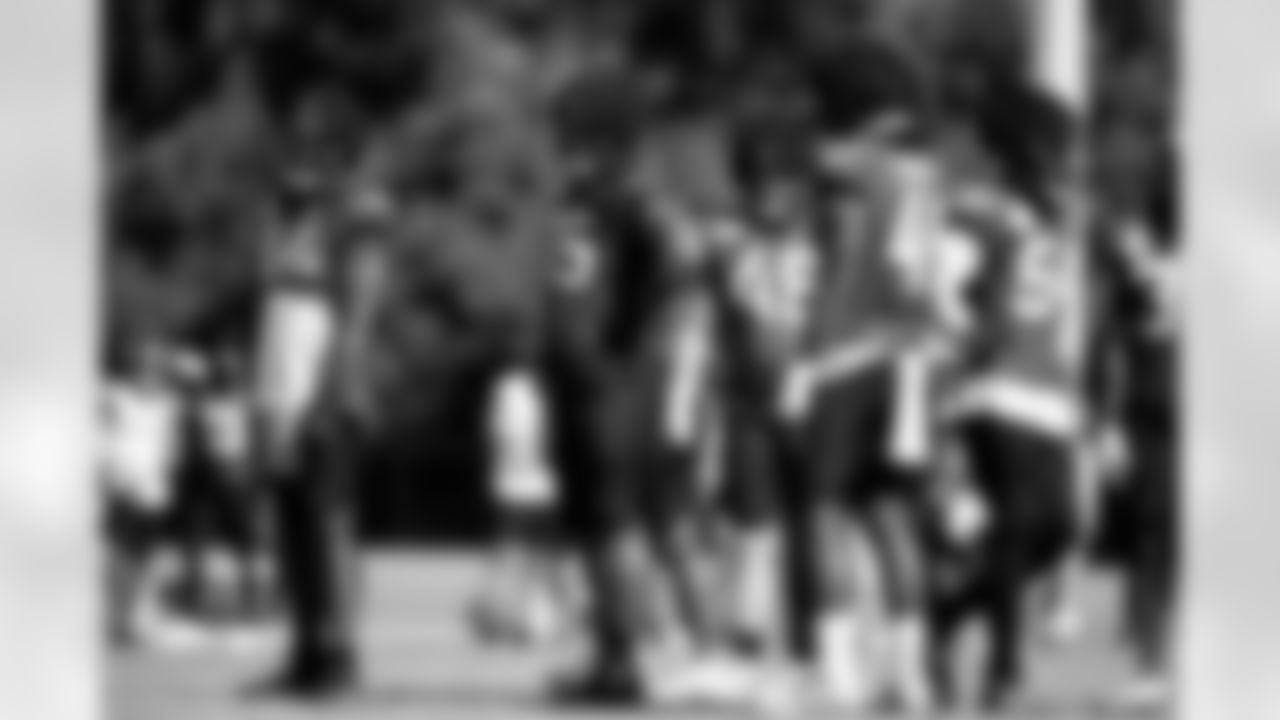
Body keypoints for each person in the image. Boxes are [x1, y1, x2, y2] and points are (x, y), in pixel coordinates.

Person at [782, 43, 944, 711]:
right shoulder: (926, 175)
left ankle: (838, 671)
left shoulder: (853, 169)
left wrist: (806, 357)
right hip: (908, 358)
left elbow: (844, 260)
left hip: (849, 354)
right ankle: (909, 674)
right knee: (888, 513)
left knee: (823, 511)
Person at [930, 76, 1084, 711]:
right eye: (1056, 149)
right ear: (1024, 148)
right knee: (1020, 524)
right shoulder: (979, 210)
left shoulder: (1057, 215)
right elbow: (941, 285)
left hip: (1048, 392)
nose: (1066, 163)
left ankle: (946, 610)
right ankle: (1004, 671)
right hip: (994, 390)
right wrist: (967, 337)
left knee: (1059, 530)